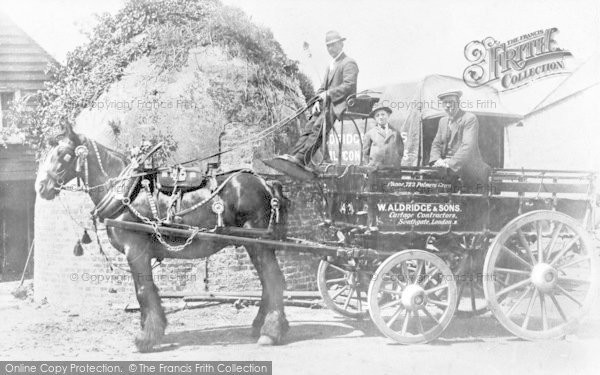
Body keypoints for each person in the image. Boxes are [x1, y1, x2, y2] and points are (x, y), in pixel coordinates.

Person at [273, 30, 359, 173]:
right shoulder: (331, 65)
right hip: (326, 103)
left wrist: (329, 94)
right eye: (328, 46)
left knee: (319, 125)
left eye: (333, 45)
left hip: (339, 103)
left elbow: (349, 86)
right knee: (310, 125)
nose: (330, 49)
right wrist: (317, 101)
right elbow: (322, 88)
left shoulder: (349, 63)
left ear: (341, 44)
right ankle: (294, 155)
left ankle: (302, 159)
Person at [429, 90, 491, 191]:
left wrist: (449, 163)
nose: (448, 105)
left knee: (469, 202)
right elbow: (436, 144)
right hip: (446, 169)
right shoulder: (442, 121)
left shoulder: (469, 118)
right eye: (445, 103)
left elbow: (467, 146)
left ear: (458, 103)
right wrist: (437, 160)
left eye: (451, 102)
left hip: (468, 170)